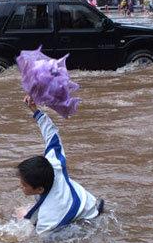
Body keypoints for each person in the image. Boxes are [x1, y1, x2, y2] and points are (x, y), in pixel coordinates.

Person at [16, 95, 104, 234]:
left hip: (88, 221)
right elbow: (51, 133)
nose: (20, 186)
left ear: (39, 189)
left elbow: (42, 240)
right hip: (89, 202)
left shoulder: (50, 215)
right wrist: (35, 110)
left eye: (24, 185)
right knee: (24, 213)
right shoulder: (55, 163)